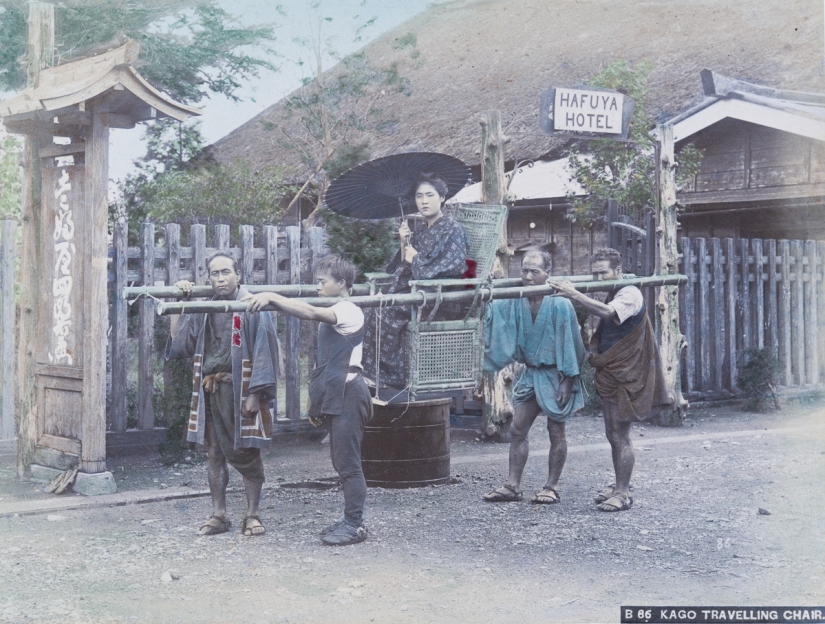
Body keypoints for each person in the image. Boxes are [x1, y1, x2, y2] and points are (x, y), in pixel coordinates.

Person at [245, 255, 373, 546]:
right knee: (341, 461)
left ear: (341, 283)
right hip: (337, 394)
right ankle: (350, 519)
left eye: (323, 281)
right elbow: (325, 365)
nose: (318, 286)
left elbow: (311, 313)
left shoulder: (348, 309)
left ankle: (355, 524)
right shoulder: (336, 308)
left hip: (351, 394)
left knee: (349, 464)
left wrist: (273, 297)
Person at [549, 247, 671, 512]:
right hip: (612, 371)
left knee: (620, 434)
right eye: (595, 273)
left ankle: (623, 492)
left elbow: (607, 313)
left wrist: (573, 293)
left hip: (626, 372)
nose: (599, 278)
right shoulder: (614, 289)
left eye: (603, 272)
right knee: (612, 432)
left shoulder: (630, 292)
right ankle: (618, 485)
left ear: (618, 270)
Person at [166, 251, 280, 536]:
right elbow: (182, 344)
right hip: (211, 390)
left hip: (242, 390)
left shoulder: (253, 305)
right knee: (214, 453)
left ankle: (252, 514)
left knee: (247, 450)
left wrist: (257, 393)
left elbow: (267, 350)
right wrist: (182, 302)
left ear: (238, 274)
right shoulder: (205, 308)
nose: (220, 278)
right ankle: (219, 514)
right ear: (208, 278)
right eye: (215, 273)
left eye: (226, 272)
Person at [482, 251, 586, 504]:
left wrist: (568, 379)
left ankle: (551, 486)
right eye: (524, 270)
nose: (528, 276)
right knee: (518, 429)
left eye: (535, 271)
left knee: (556, 430)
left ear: (548, 273)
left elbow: (573, 343)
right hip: (531, 373)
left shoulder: (560, 303)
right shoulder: (516, 298)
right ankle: (512, 485)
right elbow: (493, 311)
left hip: (557, 373)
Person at [361, 172, 469, 402]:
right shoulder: (421, 230)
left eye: (430, 195)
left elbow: (452, 266)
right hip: (416, 291)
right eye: (419, 196)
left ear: (442, 197)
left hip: (439, 297)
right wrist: (404, 243)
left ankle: (394, 378)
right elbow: (404, 266)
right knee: (371, 309)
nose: (424, 201)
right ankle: (377, 375)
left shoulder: (453, 229)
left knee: (386, 313)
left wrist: (415, 259)